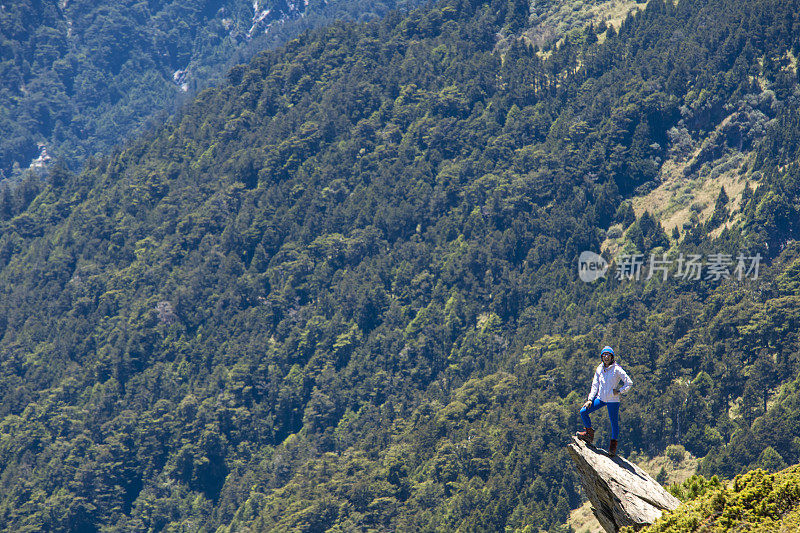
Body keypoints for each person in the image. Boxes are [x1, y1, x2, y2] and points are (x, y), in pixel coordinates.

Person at [576, 346, 632, 456]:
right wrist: (590, 399)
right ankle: (589, 434)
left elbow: (629, 382)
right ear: (602, 357)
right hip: (601, 398)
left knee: (614, 423)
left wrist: (620, 391)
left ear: (612, 357)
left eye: (608, 355)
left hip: (612, 400)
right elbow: (595, 385)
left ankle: (612, 448)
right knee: (583, 411)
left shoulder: (617, 369)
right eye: (604, 355)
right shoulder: (599, 368)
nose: (606, 357)